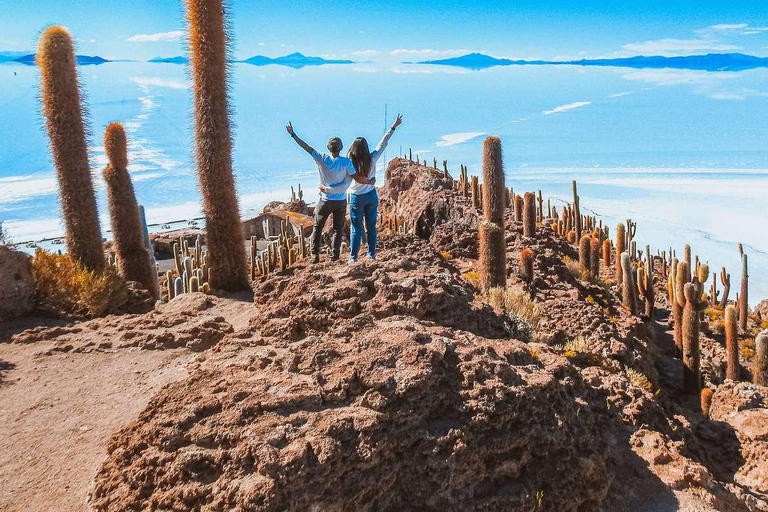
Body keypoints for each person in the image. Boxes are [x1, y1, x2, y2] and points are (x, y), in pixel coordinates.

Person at [286, 122, 374, 263]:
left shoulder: (321, 158)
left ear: (328, 148)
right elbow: (356, 177)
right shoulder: (346, 162)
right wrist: (369, 182)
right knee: (338, 229)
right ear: (341, 148)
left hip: (325, 200)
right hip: (340, 201)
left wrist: (293, 135)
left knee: (317, 228)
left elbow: (307, 148)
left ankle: (314, 256)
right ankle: (335, 255)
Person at [346, 114, 403, 262]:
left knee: (356, 228)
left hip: (356, 197)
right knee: (371, 226)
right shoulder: (371, 158)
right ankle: (371, 254)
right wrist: (393, 127)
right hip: (371, 196)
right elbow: (383, 143)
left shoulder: (349, 162)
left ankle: (353, 258)